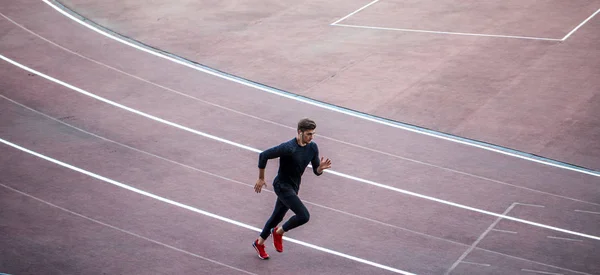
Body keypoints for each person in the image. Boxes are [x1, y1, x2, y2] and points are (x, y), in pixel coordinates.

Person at [252, 118, 332, 260]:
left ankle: (259, 243)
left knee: (277, 216)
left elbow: (316, 171)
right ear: (299, 132)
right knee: (304, 216)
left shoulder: (312, 147)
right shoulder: (288, 148)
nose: (311, 137)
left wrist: (320, 168)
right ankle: (278, 232)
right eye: (308, 134)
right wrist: (261, 178)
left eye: (313, 134)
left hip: (294, 187)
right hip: (282, 186)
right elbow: (263, 155)